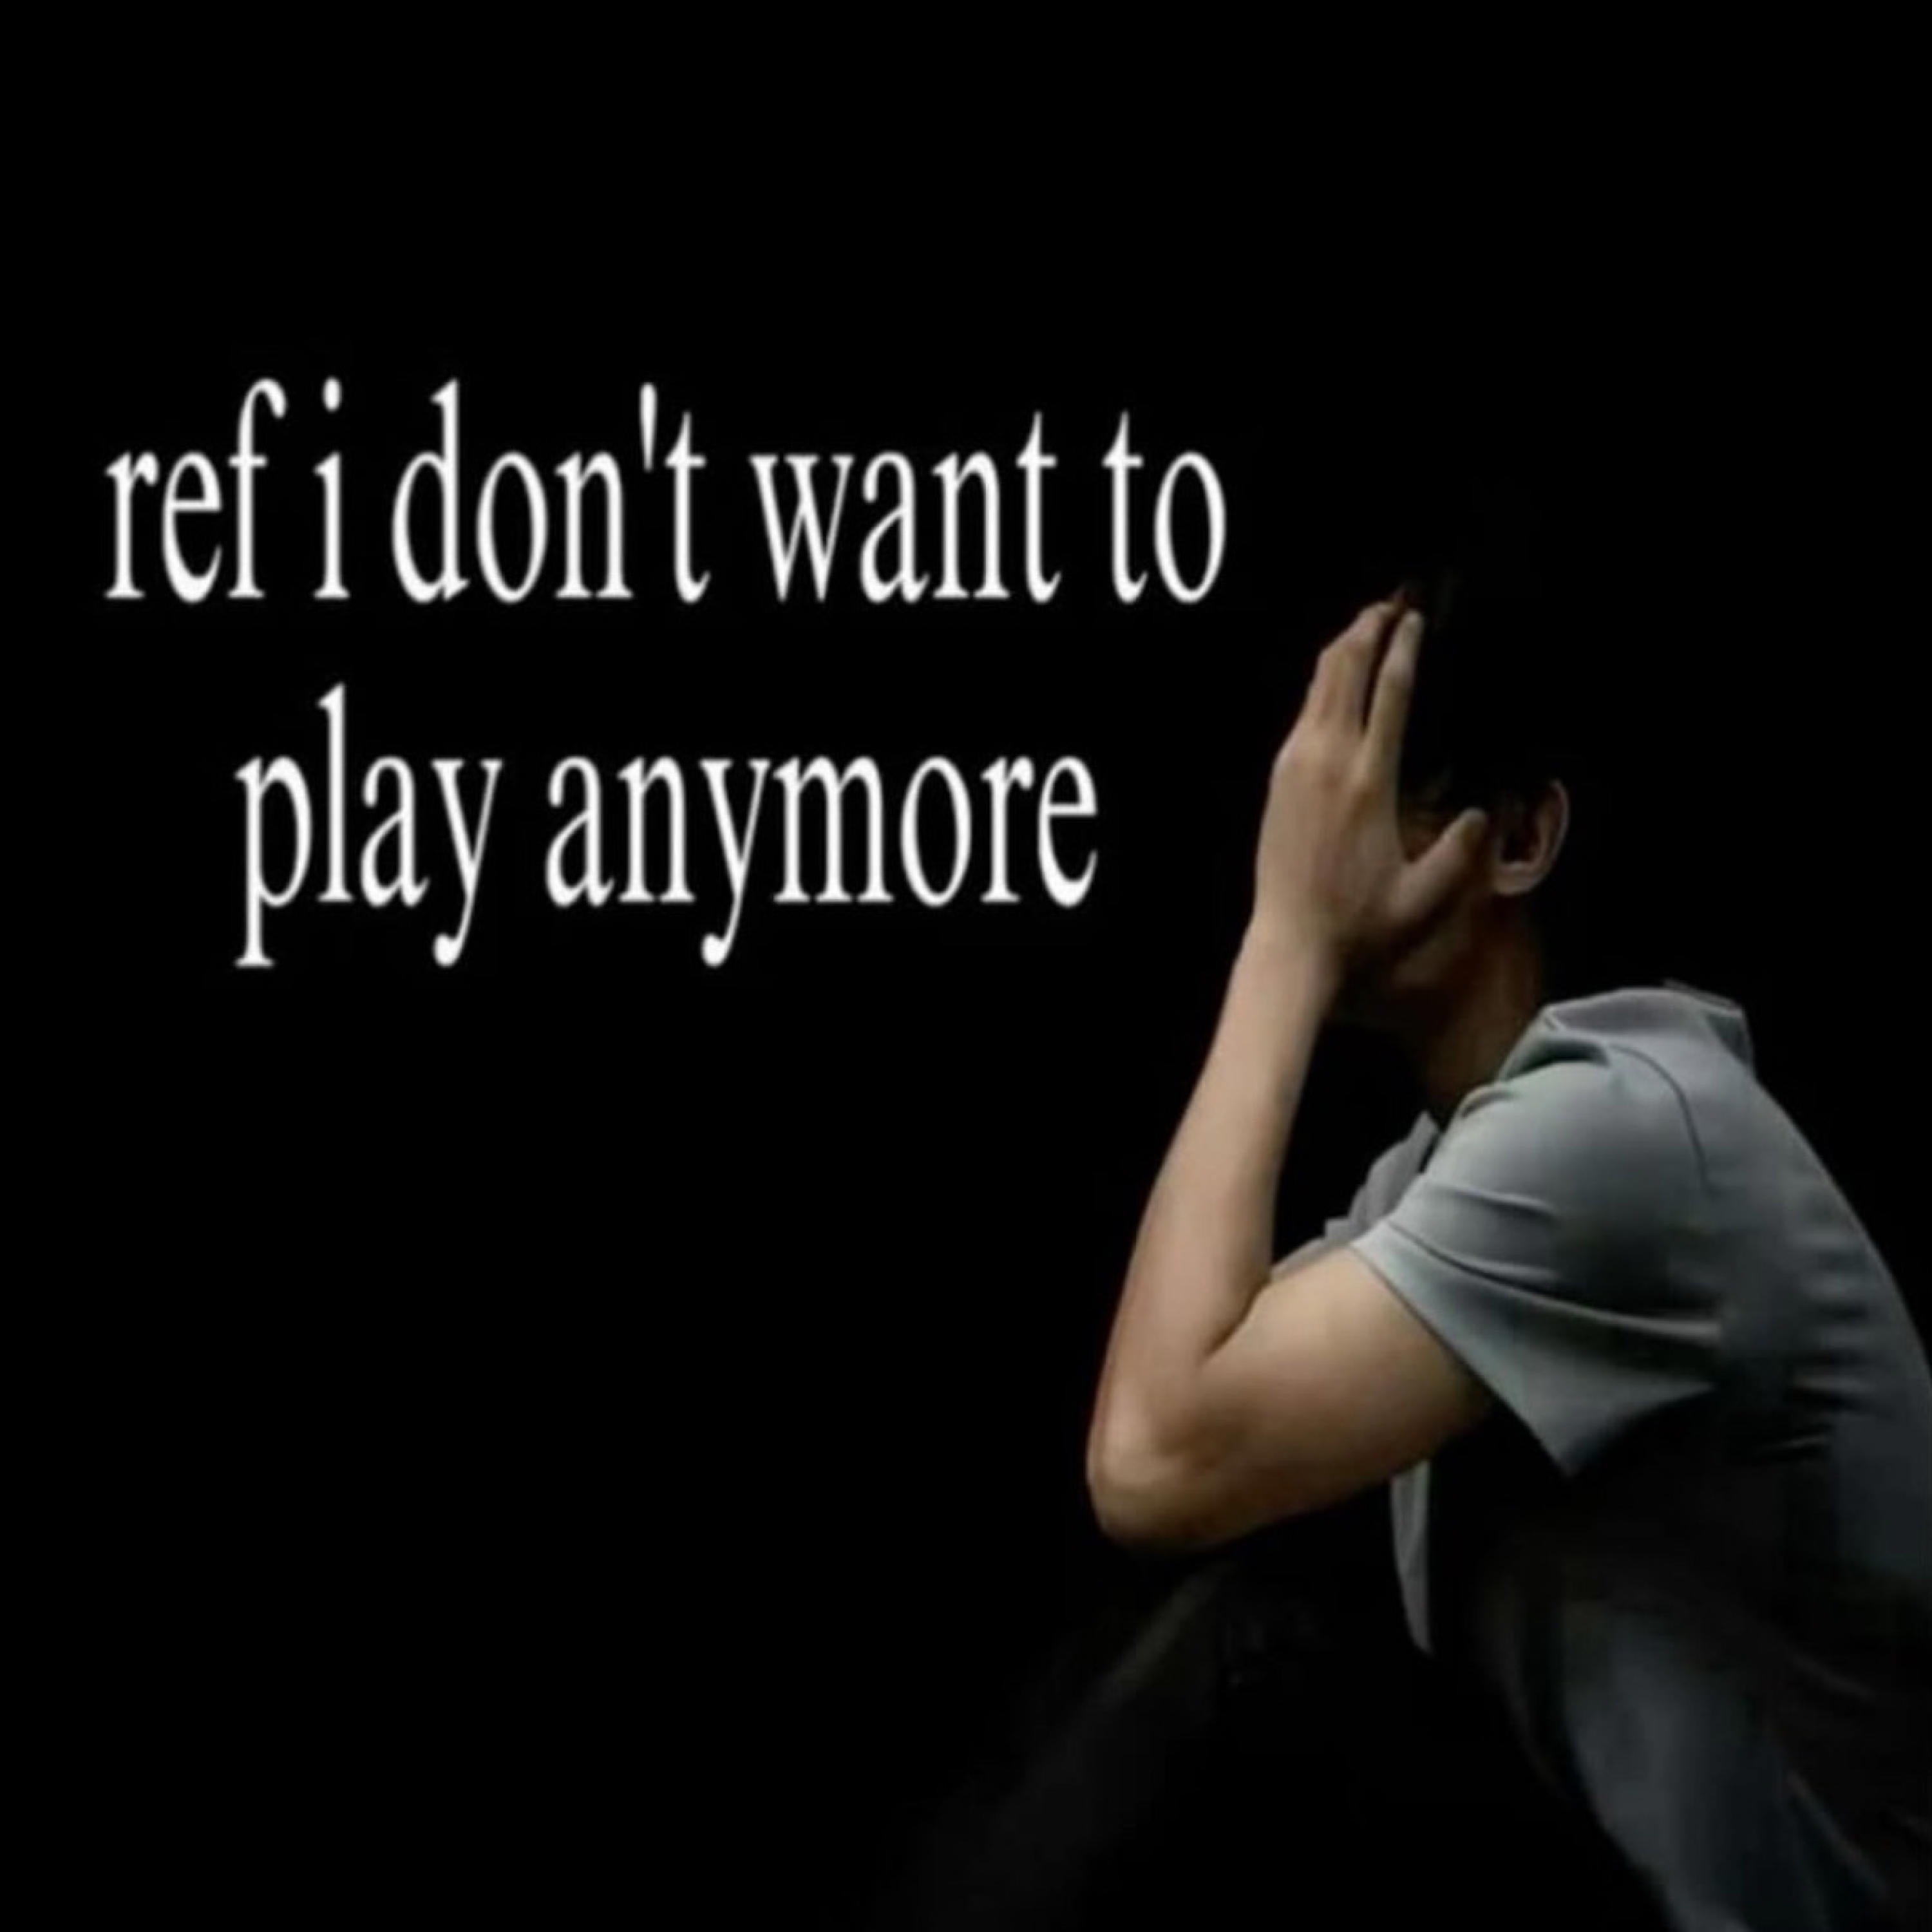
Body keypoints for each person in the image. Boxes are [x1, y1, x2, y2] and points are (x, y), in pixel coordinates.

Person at [871, 531, 1932, 1930]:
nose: (1302, 852)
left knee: (1250, 1644)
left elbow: (1153, 1458)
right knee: (1232, 1611)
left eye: (1355, 804)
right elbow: (1172, 1427)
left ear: (1520, 840)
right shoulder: (1453, 1173)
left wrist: (1283, 943)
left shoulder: (1629, 1134)